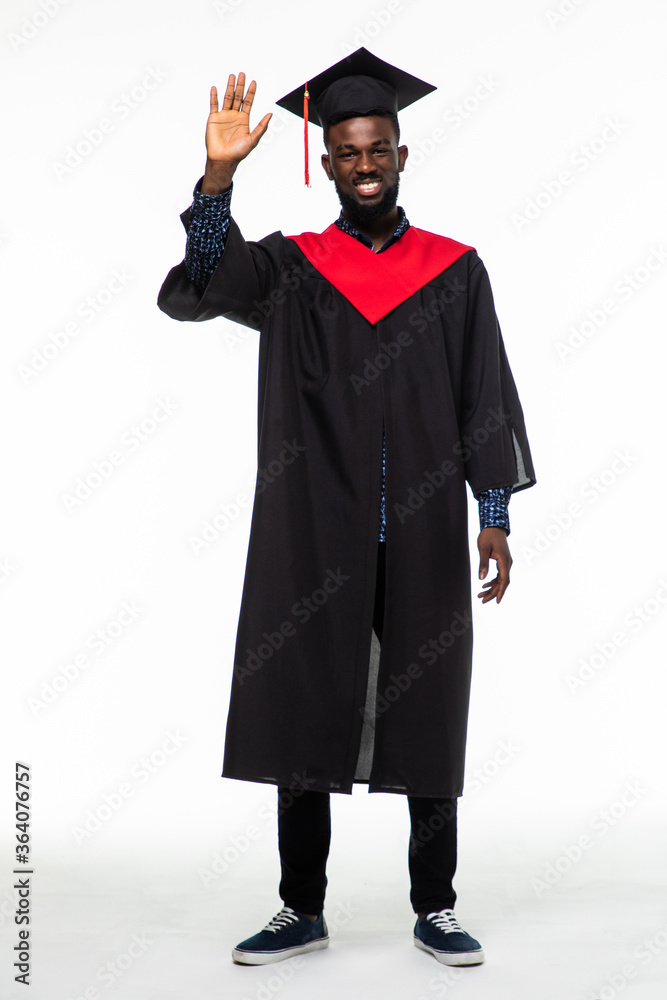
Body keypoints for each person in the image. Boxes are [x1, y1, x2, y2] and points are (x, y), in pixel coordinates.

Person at [157, 47, 536, 969]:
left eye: (378, 149)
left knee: (430, 706)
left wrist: (493, 513)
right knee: (302, 704)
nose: (364, 165)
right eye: (347, 152)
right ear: (325, 162)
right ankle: (301, 908)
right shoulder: (294, 271)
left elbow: (481, 397)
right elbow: (198, 284)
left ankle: (435, 907)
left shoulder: (454, 272)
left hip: (418, 534)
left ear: (402, 154)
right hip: (312, 532)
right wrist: (217, 177)